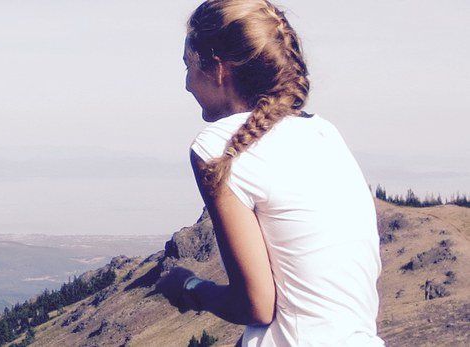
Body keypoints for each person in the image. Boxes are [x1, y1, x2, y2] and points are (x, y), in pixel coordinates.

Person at [158, 0, 385, 346]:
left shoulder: (216, 145)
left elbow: (256, 306)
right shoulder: (325, 134)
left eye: (189, 67)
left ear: (219, 69)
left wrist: (190, 287)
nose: (187, 84)